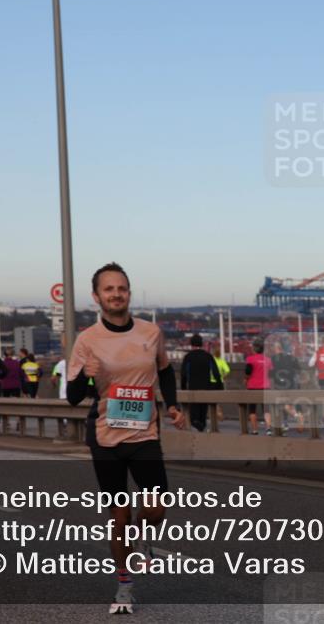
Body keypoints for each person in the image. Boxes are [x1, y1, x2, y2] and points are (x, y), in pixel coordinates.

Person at [64, 262, 185, 615]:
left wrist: (174, 405)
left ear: (128, 293)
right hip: (105, 436)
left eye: (122, 288)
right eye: (109, 289)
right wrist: (86, 378)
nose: (116, 294)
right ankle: (124, 586)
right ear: (96, 297)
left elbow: (164, 371)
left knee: (156, 507)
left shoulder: (151, 332)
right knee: (119, 517)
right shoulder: (87, 340)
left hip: (145, 432)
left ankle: (144, 539)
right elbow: (72, 396)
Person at [180, 334, 221, 432]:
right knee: (203, 415)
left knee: (193, 417)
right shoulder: (208, 356)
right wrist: (219, 387)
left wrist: (183, 388)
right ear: (202, 344)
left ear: (191, 344)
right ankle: (202, 430)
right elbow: (216, 373)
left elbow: (183, 374)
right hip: (206, 388)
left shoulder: (188, 357)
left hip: (193, 389)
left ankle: (199, 429)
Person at [271, 340, 304, 433]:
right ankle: (295, 418)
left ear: (277, 348)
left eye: (274, 347)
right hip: (292, 383)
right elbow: (299, 370)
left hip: (280, 385)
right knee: (293, 403)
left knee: (284, 405)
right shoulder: (291, 357)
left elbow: (271, 372)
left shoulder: (273, 359)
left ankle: (291, 419)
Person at [244, 340, 273, 435]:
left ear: (254, 349)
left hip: (253, 386)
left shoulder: (250, 359)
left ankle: (255, 430)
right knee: (266, 409)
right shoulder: (268, 360)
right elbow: (271, 373)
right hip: (265, 386)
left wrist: (245, 379)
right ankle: (268, 429)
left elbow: (248, 372)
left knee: (252, 409)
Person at [209, 345, 230, 423]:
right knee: (217, 401)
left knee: (211, 401)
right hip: (220, 383)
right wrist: (223, 377)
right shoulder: (222, 361)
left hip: (212, 382)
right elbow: (227, 370)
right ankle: (219, 413)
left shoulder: (211, 361)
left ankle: (217, 415)